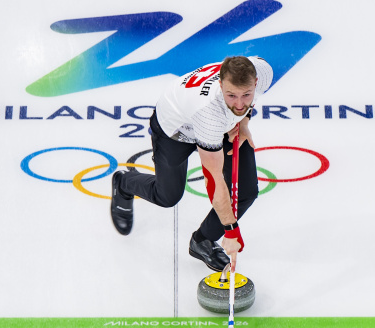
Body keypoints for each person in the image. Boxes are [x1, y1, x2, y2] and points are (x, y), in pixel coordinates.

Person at [110, 56, 273, 271]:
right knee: (168, 196)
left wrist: (243, 123)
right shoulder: (209, 113)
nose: (240, 103)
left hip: (220, 123)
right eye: (232, 95)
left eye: (247, 95)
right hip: (175, 130)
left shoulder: (262, 71)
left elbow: (243, 105)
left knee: (246, 191)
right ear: (220, 84)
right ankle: (123, 183)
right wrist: (231, 230)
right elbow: (214, 179)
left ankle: (203, 240)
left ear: (256, 82)